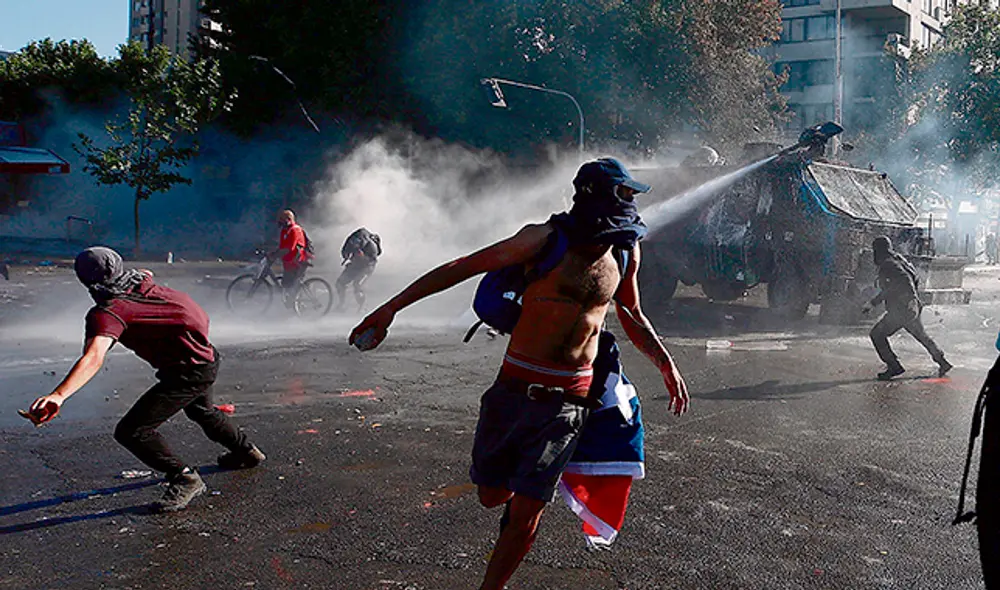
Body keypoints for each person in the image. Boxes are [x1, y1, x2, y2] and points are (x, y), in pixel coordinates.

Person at [349, 158, 688, 590]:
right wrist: (389, 309)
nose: (633, 204)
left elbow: (632, 312)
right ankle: (514, 484)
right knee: (492, 495)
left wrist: (665, 362)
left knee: (530, 510)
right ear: (594, 195)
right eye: (625, 194)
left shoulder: (625, 250)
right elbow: (463, 266)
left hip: (568, 403)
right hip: (513, 391)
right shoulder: (544, 240)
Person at [23, 247, 265, 513]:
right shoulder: (139, 281)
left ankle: (185, 477)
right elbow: (159, 289)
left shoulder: (109, 312)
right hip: (205, 356)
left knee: (132, 431)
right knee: (202, 411)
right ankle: (246, 452)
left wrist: (59, 395)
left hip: (187, 371)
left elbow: (94, 357)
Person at [862, 236, 952, 381]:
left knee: (877, 334)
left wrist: (873, 303)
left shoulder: (888, 264)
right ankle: (942, 361)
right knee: (921, 335)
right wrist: (912, 300)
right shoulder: (899, 260)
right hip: (912, 306)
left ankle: (894, 366)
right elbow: (913, 279)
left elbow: (899, 283)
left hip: (902, 309)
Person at [270, 209, 309, 305]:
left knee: (294, 285)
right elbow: (282, 247)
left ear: (288, 219)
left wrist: (275, 255)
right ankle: (290, 304)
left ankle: (299, 305)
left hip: (299, 261)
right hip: (289, 262)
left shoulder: (295, 230)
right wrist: (274, 253)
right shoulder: (285, 230)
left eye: (282, 220)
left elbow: (289, 248)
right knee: (286, 284)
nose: (280, 222)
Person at [336, 227, 380, 312]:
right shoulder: (353, 241)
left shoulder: (371, 244)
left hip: (367, 267)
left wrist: (362, 257)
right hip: (355, 265)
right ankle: (342, 305)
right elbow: (346, 252)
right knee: (340, 283)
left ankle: (362, 307)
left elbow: (372, 260)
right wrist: (348, 256)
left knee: (357, 285)